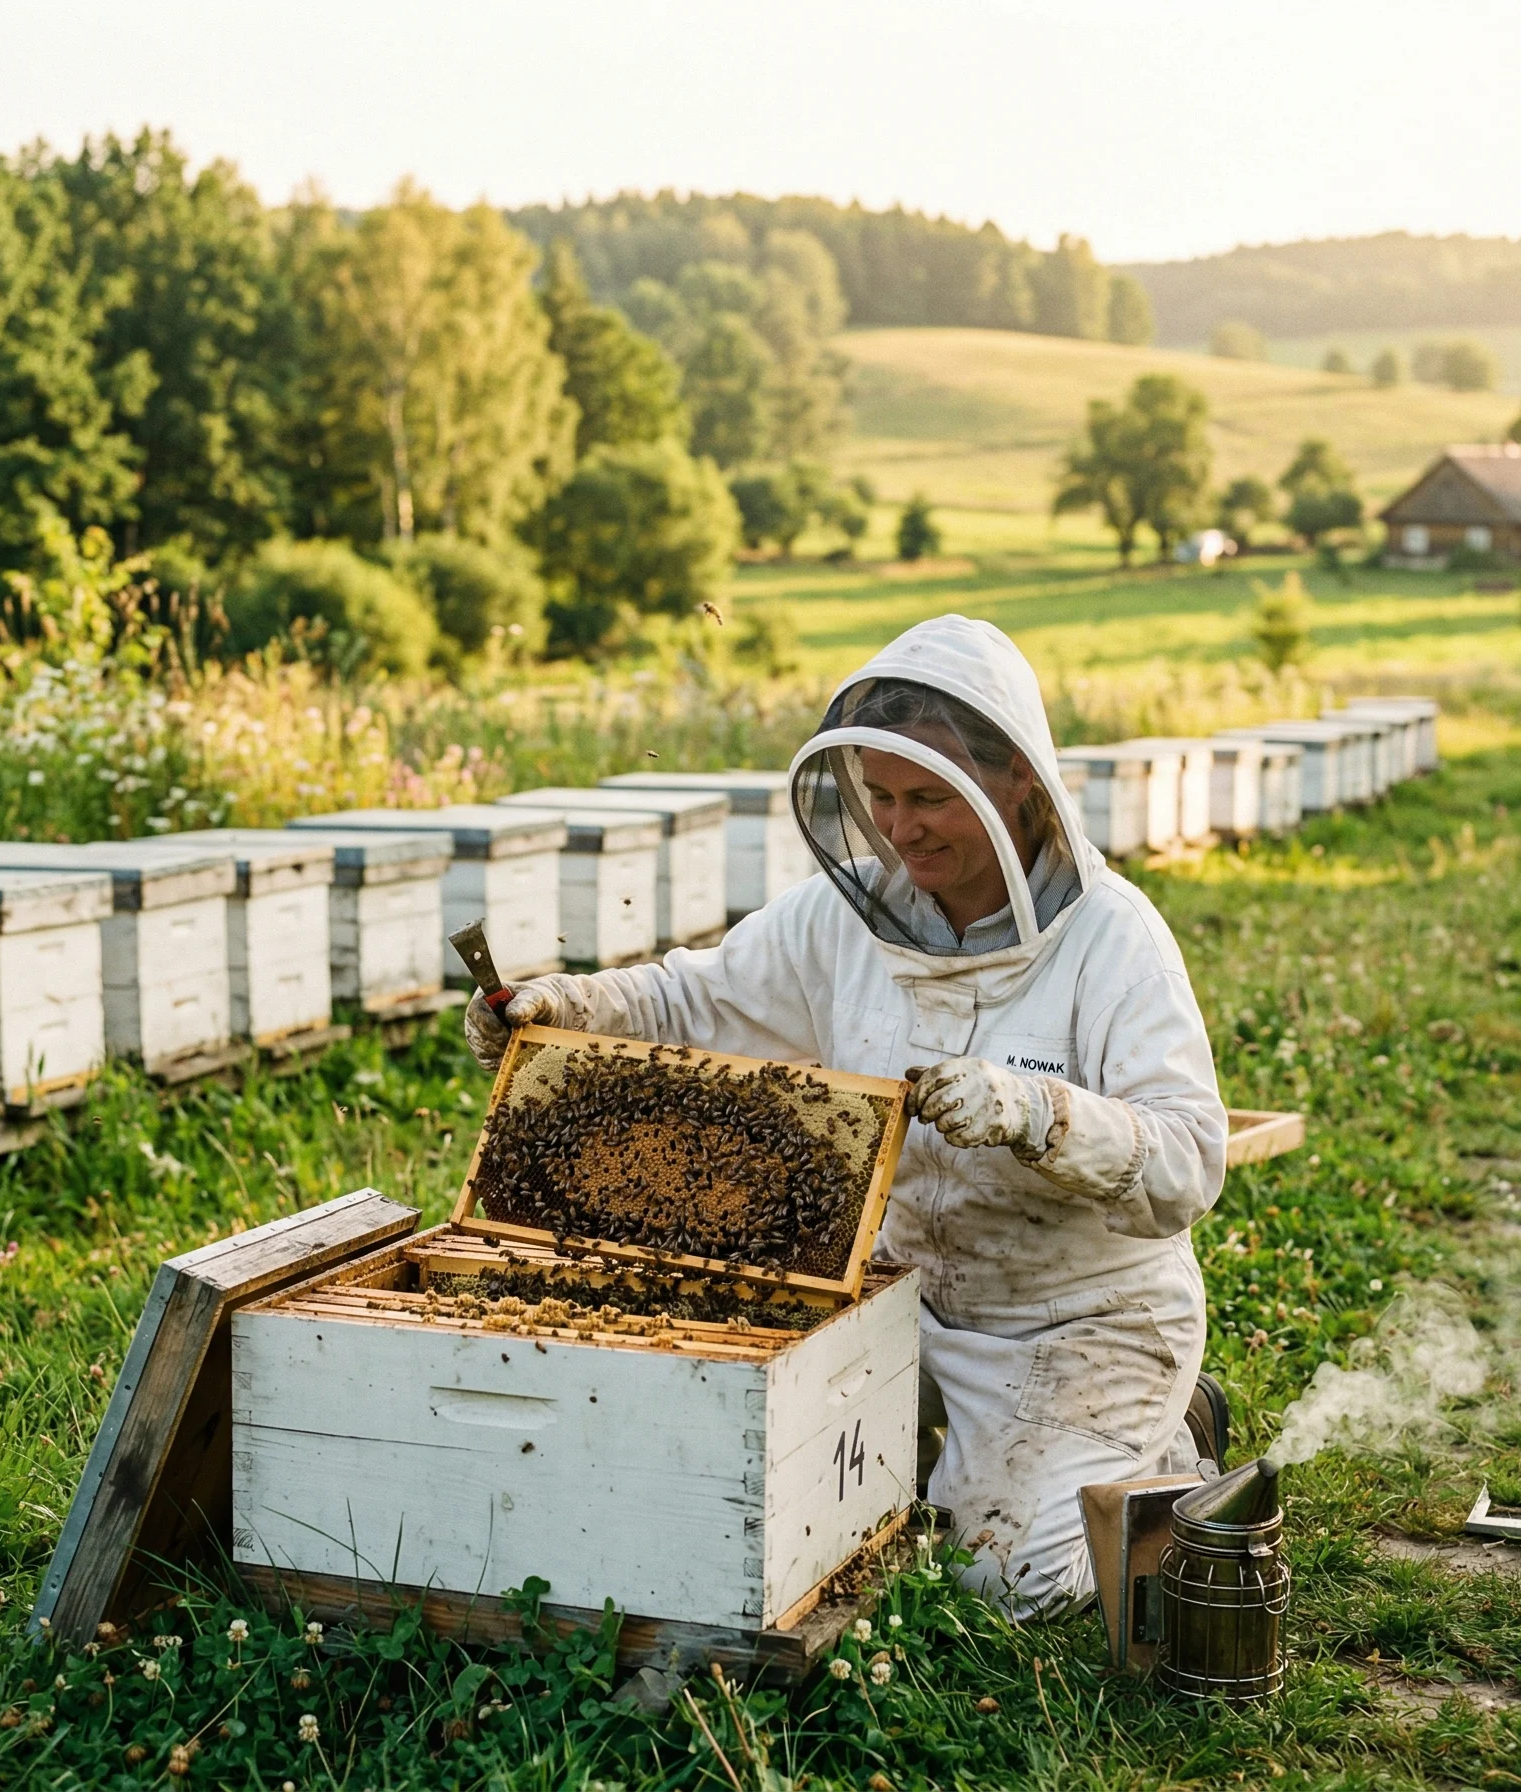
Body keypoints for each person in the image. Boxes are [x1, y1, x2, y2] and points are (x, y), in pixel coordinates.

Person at [465, 615, 1227, 1611]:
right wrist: (567, 1007)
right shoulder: (844, 916)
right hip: (892, 1292)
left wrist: (1036, 1112)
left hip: (1078, 1321)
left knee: (1004, 1576)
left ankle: (1170, 1441)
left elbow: (1189, 1161)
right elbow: (695, 1002)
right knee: (768, 1499)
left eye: (929, 798)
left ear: (1016, 785)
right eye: (879, 798)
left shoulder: (1112, 940)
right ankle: (988, 1454)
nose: (901, 829)